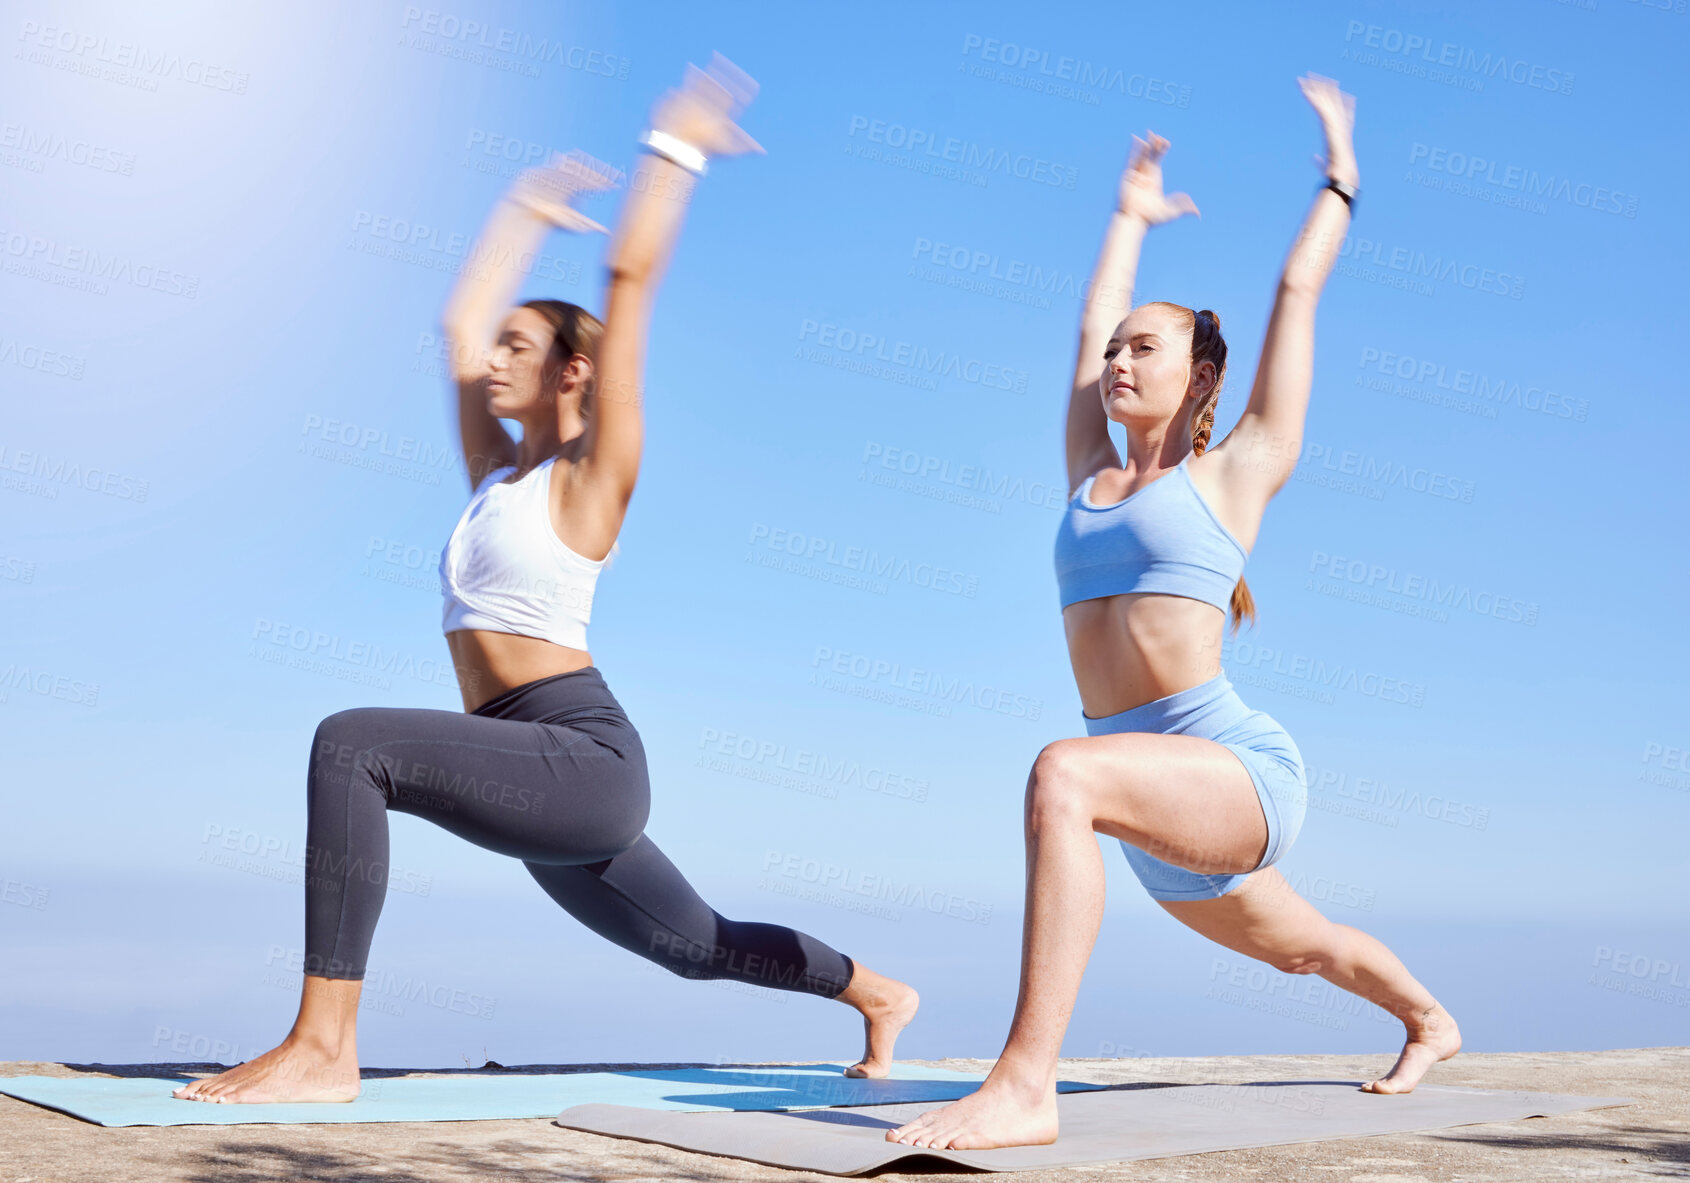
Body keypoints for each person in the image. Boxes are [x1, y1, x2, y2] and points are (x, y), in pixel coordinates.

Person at [173, 57, 917, 1105]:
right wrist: (521, 207)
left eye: (520, 347)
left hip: (578, 755)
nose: (492, 361)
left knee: (352, 744)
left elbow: (629, 285)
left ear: (575, 370)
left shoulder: (591, 477)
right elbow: (454, 332)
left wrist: (675, 148)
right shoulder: (496, 476)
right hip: (528, 758)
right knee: (693, 946)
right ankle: (879, 992)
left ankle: (322, 1047)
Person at [888, 74, 1459, 1151]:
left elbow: (1296, 294)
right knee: (1304, 947)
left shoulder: (1237, 472)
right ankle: (1430, 1018)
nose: (1114, 361)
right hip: (1149, 806)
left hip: (1229, 769)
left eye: (1140, 348)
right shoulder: (1083, 473)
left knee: (1060, 770)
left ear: (1201, 377)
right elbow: (1082, 328)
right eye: (1113, 350)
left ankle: (1023, 1085)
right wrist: (1127, 219)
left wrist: (1340, 174)